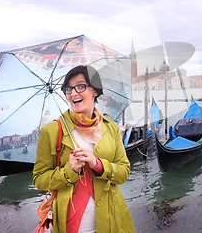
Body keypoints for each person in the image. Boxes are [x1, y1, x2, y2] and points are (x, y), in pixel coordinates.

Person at [33, 65, 136, 233]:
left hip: (112, 219)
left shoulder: (111, 128)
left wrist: (98, 164)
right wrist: (69, 170)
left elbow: (123, 172)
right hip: (70, 224)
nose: (73, 93)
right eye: (68, 89)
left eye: (80, 86)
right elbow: (39, 179)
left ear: (95, 90)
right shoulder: (51, 131)